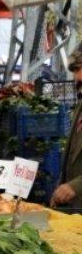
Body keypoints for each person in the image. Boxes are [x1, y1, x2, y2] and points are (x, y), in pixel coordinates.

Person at [51, 46, 82, 209]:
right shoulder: (79, 106)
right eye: (75, 71)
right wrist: (62, 186)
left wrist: (75, 186)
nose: (77, 77)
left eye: (79, 69)